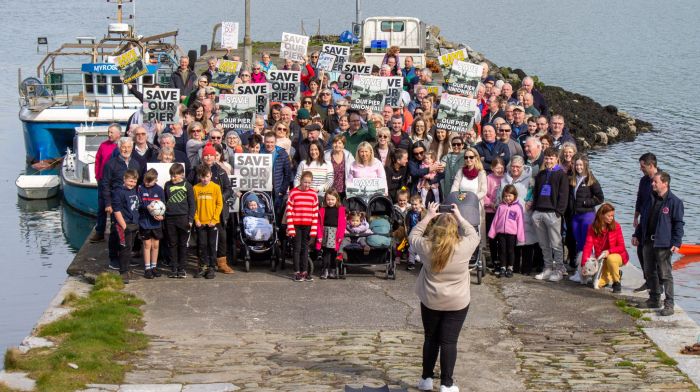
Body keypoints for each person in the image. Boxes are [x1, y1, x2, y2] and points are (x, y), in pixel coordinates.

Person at [412, 202, 479, 392]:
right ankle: (446, 383)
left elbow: (413, 235)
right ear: (454, 229)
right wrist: (459, 216)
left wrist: (428, 216)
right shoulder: (464, 246)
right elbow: (473, 234)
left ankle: (426, 378)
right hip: (457, 301)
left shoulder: (426, 246)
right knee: (449, 342)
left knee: (431, 339)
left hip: (431, 299)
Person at [632, 171, 684, 316]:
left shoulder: (675, 202)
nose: (652, 184)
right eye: (652, 182)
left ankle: (669, 304)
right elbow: (643, 219)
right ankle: (654, 299)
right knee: (649, 271)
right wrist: (636, 234)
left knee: (665, 274)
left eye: (655, 182)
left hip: (663, 243)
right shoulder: (650, 199)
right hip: (647, 241)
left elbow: (678, 224)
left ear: (665, 183)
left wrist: (676, 242)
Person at [532, 147, 570, 282]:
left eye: (551, 158)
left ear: (556, 159)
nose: (548, 161)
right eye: (547, 158)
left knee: (556, 243)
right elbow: (536, 193)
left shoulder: (561, 175)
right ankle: (547, 268)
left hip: (553, 213)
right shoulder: (541, 174)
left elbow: (564, 195)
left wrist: (559, 212)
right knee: (543, 243)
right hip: (539, 212)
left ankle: (559, 269)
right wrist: (534, 210)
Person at [498, 155, 540, 275]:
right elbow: (499, 195)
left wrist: (531, 202)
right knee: (513, 242)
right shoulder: (504, 179)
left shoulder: (530, 178)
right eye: (513, 166)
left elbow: (534, 192)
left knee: (527, 241)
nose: (515, 169)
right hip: (509, 217)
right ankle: (514, 267)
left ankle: (526, 268)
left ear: (522, 167)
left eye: (518, 166)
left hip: (525, 214)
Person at [567, 155, 604, 282]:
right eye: (577, 165)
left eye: (581, 165)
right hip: (576, 216)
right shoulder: (572, 179)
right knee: (578, 243)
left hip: (587, 216)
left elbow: (600, 198)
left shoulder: (591, 180)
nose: (578, 167)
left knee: (586, 244)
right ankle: (580, 271)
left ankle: (587, 272)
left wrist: (585, 203)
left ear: (585, 166)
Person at [581, 203, 629, 292]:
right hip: (602, 258)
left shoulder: (616, 226)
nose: (611, 218)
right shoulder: (592, 227)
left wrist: (609, 251)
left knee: (611, 258)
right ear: (601, 215)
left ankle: (616, 283)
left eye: (612, 216)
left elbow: (621, 247)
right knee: (596, 283)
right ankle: (616, 273)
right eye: (609, 216)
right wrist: (584, 264)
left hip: (618, 256)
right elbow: (587, 246)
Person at [90, 123, 122, 243]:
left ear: (119, 134)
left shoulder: (122, 146)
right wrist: (98, 176)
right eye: (108, 132)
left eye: (111, 132)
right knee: (102, 206)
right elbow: (98, 160)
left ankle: (118, 233)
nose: (109, 135)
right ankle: (100, 232)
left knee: (117, 207)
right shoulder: (103, 145)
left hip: (116, 181)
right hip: (103, 180)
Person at [632, 152, 659, 292]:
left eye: (643, 166)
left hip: (655, 223)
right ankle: (648, 280)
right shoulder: (644, 181)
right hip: (643, 220)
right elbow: (640, 199)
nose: (640, 169)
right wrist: (636, 216)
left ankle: (657, 285)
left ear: (651, 165)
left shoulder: (661, 179)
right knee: (640, 250)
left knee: (653, 255)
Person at [287, 171, 320, 282]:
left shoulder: (313, 194)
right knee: (296, 249)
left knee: (305, 249)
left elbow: (315, 213)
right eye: (305, 182)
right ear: (300, 181)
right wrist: (290, 227)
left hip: (308, 225)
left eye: (309, 183)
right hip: (296, 225)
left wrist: (314, 230)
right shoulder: (293, 193)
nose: (306, 185)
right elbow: (289, 211)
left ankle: (304, 272)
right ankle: (296, 272)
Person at [163, 163, 195, 279]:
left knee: (182, 244)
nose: (172, 178)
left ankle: (182, 269)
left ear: (182, 175)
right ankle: (174, 268)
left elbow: (192, 204)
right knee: (172, 244)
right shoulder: (167, 185)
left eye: (175, 176)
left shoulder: (188, 185)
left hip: (183, 219)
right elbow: (164, 201)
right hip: (170, 218)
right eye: (171, 176)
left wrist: (190, 219)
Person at [192, 164, 223, 280]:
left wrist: (214, 219)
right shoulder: (195, 188)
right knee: (202, 245)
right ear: (199, 176)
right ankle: (202, 267)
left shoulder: (216, 187)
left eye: (207, 176)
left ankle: (211, 267)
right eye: (202, 177)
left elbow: (219, 204)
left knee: (211, 246)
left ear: (211, 175)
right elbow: (193, 206)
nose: (205, 179)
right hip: (200, 223)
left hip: (212, 223)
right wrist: (196, 219)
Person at [488, 185, 525, 278]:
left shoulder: (517, 208)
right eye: (505, 196)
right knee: (502, 251)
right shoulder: (501, 207)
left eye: (510, 196)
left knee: (510, 251)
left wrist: (521, 237)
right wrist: (492, 232)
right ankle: (503, 267)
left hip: (512, 234)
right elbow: (495, 220)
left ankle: (510, 268)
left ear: (514, 196)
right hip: (501, 233)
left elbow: (520, 222)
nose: (507, 198)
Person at [112, 169, 140, 284]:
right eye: (130, 181)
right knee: (125, 247)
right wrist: (124, 226)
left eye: (134, 182)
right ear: (124, 179)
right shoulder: (119, 192)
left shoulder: (134, 191)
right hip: (124, 225)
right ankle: (123, 271)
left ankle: (127, 268)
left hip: (134, 223)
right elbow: (117, 211)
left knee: (130, 247)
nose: (132, 184)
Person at [136, 168, 165, 279]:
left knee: (155, 245)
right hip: (144, 222)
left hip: (156, 223)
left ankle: (154, 267)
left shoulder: (159, 190)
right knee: (147, 245)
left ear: (156, 180)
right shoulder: (140, 188)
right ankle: (147, 268)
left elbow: (163, 205)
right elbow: (138, 203)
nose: (147, 183)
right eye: (145, 181)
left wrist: (162, 216)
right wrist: (146, 206)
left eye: (150, 181)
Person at [316, 190, 346, 279]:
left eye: (332, 199)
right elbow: (318, 224)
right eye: (328, 199)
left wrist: (340, 236)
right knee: (326, 253)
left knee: (333, 253)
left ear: (337, 199)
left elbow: (342, 224)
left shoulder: (340, 210)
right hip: (325, 232)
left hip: (335, 233)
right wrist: (319, 236)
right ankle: (324, 270)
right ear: (325, 199)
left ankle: (332, 269)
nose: (330, 201)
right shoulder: (322, 209)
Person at [484, 157, 506, 267]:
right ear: (492, 168)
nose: (500, 170)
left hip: (502, 212)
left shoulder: (506, 178)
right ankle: (493, 259)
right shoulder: (488, 178)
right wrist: (491, 204)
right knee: (492, 236)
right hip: (491, 211)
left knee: (501, 237)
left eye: (501, 168)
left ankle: (502, 259)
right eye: (497, 168)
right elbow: (484, 194)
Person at [405, 195, 425, 271]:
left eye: (415, 204)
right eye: (412, 204)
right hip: (412, 232)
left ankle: (423, 263)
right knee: (411, 248)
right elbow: (407, 223)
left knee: (422, 248)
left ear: (420, 204)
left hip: (422, 232)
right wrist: (407, 232)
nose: (413, 206)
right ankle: (411, 262)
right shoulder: (409, 213)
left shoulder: (424, 212)